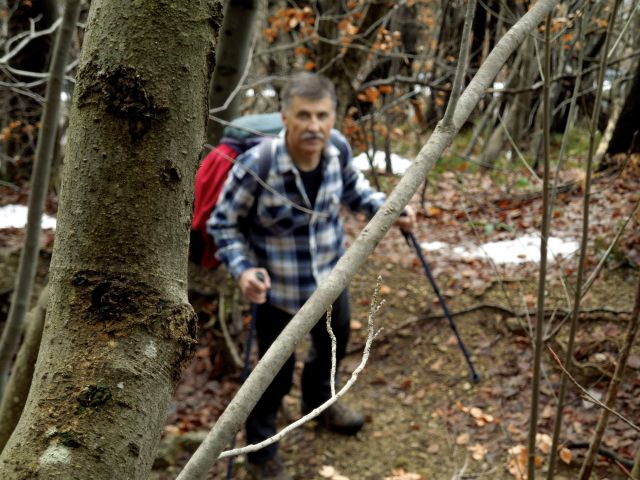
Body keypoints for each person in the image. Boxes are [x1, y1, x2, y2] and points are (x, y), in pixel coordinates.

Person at [208, 72, 414, 480]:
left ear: (333, 117)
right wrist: (244, 270)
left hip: (331, 282)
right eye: (304, 115)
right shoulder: (258, 165)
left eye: (322, 115)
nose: (314, 126)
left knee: (332, 349)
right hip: (277, 295)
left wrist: (392, 209)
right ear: (285, 117)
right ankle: (262, 450)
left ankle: (320, 404)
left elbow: (356, 193)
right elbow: (223, 225)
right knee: (273, 375)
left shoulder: (337, 150)